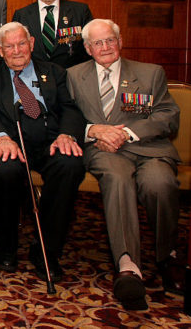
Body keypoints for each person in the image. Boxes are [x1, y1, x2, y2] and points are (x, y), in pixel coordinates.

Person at [67, 19, 184, 310]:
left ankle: (167, 256)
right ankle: (128, 265)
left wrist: (128, 133)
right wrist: (93, 131)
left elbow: (168, 116)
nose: (104, 47)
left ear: (120, 42)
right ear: (87, 48)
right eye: (97, 43)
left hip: (148, 150)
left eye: (109, 40)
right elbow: (65, 116)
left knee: (160, 184)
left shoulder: (150, 73)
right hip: (102, 151)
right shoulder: (72, 75)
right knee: (117, 179)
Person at [0, 22, 85, 282]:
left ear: (32, 44)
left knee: (71, 165)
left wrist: (65, 134)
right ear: (0, 50)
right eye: (9, 46)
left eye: (21, 44)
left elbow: (69, 108)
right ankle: (6, 243)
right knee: (5, 171)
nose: (16, 51)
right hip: (11, 139)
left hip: (49, 141)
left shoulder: (55, 72)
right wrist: (1, 139)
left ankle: (47, 249)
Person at [13, 0, 93, 68]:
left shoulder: (80, 11)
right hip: (34, 77)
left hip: (70, 77)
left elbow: (91, 46)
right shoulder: (22, 15)